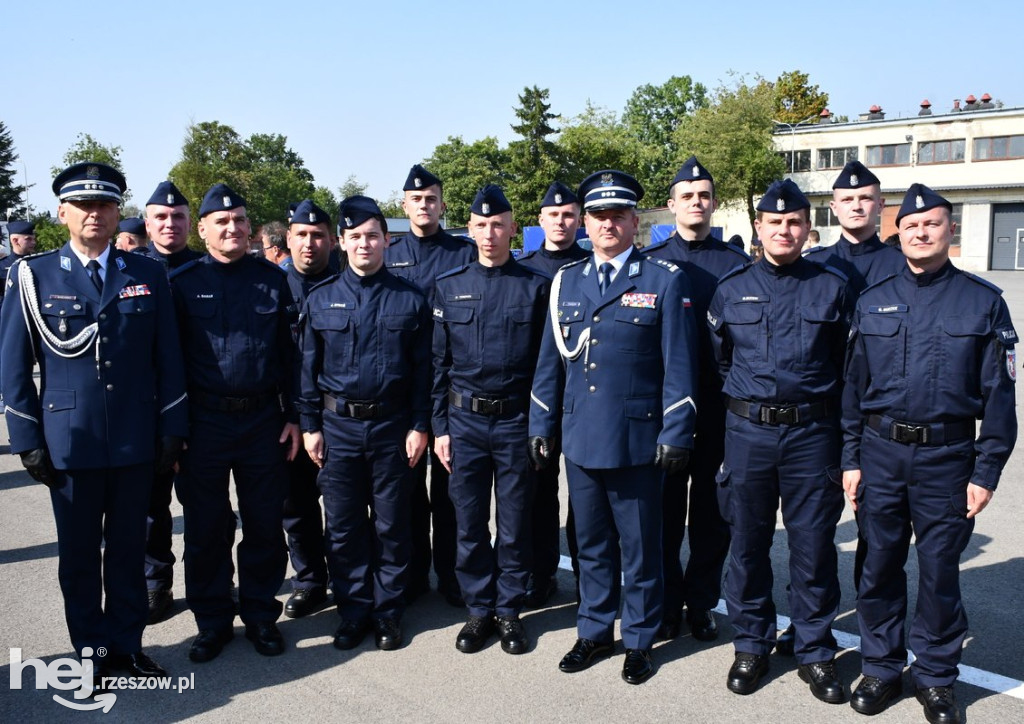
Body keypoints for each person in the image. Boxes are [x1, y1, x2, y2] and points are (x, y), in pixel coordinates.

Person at [0, 162, 188, 687]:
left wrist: (172, 426)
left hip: (135, 439)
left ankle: (127, 648)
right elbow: (13, 366)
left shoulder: (146, 274)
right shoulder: (34, 276)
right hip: (69, 442)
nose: (94, 215)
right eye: (83, 206)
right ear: (62, 212)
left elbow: (167, 356)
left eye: (104, 205)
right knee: (80, 558)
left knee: (129, 554)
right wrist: (26, 439)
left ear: (117, 213)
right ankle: (90, 651)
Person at [842, 184, 1017, 723]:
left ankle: (938, 676)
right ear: (901, 234)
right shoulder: (872, 300)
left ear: (950, 230)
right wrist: (850, 459)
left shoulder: (983, 300)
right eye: (911, 226)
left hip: (948, 459)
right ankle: (881, 666)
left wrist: (986, 470)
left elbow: (1000, 397)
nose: (921, 233)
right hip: (880, 455)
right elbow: (852, 390)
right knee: (877, 567)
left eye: (932, 225)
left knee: (940, 573)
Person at [530, 169, 698, 685]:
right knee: (592, 546)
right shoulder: (567, 281)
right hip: (581, 439)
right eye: (598, 215)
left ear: (634, 221)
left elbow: (679, 366)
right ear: (585, 221)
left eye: (618, 215)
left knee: (642, 547)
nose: (608, 224)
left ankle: (642, 638)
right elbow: (549, 363)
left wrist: (676, 432)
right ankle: (595, 629)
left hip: (636, 440)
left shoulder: (663, 279)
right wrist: (542, 421)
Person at [708, 179, 851, 703]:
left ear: (808, 230)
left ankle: (814, 650)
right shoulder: (731, 288)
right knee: (747, 542)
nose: (785, 230)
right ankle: (751, 642)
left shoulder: (832, 287)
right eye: (775, 222)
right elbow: (720, 360)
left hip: (813, 434)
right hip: (748, 432)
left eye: (794, 222)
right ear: (759, 230)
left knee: (813, 546)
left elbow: (847, 367)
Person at [171, 183, 301, 663]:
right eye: (221, 222)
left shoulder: (273, 279)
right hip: (204, 424)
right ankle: (211, 621)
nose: (233, 228)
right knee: (207, 529)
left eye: (240, 221)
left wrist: (292, 416)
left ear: (250, 228)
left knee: (265, 525)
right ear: (202, 229)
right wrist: (176, 431)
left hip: (264, 421)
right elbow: (171, 364)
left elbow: (292, 358)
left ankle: (262, 616)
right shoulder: (182, 284)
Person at [298, 195, 431, 651]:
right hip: (338, 430)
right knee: (345, 526)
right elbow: (308, 371)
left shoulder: (410, 300)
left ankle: (388, 611)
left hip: (393, 427)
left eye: (372, 236)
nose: (363, 245)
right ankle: (353, 611)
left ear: (387, 241)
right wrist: (310, 424)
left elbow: (423, 373)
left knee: (393, 526)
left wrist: (420, 424)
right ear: (341, 242)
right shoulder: (321, 299)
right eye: (354, 237)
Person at [432, 185, 549, 655]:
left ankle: (509, 611)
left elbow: (546, 366)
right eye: (480, 225)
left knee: (517, 522)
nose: (488, 233)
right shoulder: (450, 285)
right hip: (464, 422)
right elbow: (436, 366)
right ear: (471, 228)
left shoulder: (535, 287)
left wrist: (541, 425)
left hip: (516, 420)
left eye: (498, 224)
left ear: (513, 228)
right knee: (469, 521)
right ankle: (478, 610)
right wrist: (439, 427)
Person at [645, 155, 749, 643]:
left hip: (715, 406)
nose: (696, 203)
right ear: (671, 205)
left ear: (713, 202)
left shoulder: (735, 265)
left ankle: (702, 602)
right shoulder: (649, 264)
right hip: (663, 410)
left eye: (704, 195)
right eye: (687, 196)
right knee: (662, 511)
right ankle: (665, 603)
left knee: (712, 514)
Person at [385, 164, 477, 607]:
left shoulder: (462, 252)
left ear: (443, 204)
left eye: (432, 198)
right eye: (416, 199)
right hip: (400, 385)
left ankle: (452, 575)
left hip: (446, 382)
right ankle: (413, 574)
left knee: (448, 491)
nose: (424, 205)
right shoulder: (390, 251)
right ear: (404, 205)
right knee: (405, 492)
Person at [516, 180, 588, 607]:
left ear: (578, 220)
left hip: (581, 398)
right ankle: (540, 574)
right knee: (538, 496)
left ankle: (587, 576)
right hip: (538, 399)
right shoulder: (524, 268)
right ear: (540, 221)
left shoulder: (590, 265)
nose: (560, 221)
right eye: (553, 215)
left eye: (568, 215)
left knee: (584, 497)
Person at [142, 180, 209, 624]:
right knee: (149, 508)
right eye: (161, 217)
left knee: (204, 510)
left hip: (200, 413)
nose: (170, 224)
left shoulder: (206, 270)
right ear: (147, 224)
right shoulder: (131, 273)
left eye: (178, 217)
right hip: (145, 413)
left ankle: (210, 588)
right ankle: (155, 584)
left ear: (191, 224)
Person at [280, 199, 335, 619]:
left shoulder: (347, 283)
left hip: (338, 417)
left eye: (318, 235)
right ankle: (310, 581)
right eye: (302, 235)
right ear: (288, 239)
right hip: (288, 420)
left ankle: (351, 577)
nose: (310, 243)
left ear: (332, 241)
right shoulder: (270, 285)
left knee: (344, 506)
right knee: (297, 507)